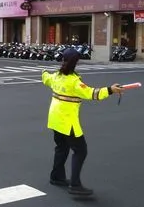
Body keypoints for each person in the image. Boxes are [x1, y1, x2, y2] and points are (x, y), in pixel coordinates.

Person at [41, 48, 124, 196]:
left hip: (54, 118)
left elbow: (46, 77)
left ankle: (56, 177)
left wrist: (44, 72)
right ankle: (75, 184)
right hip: (67, 121)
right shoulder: (74, 82)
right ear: (75, 63)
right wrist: (111, 89)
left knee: (61, 147)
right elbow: (92, 93)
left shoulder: (56, 77)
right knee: (80, 151)